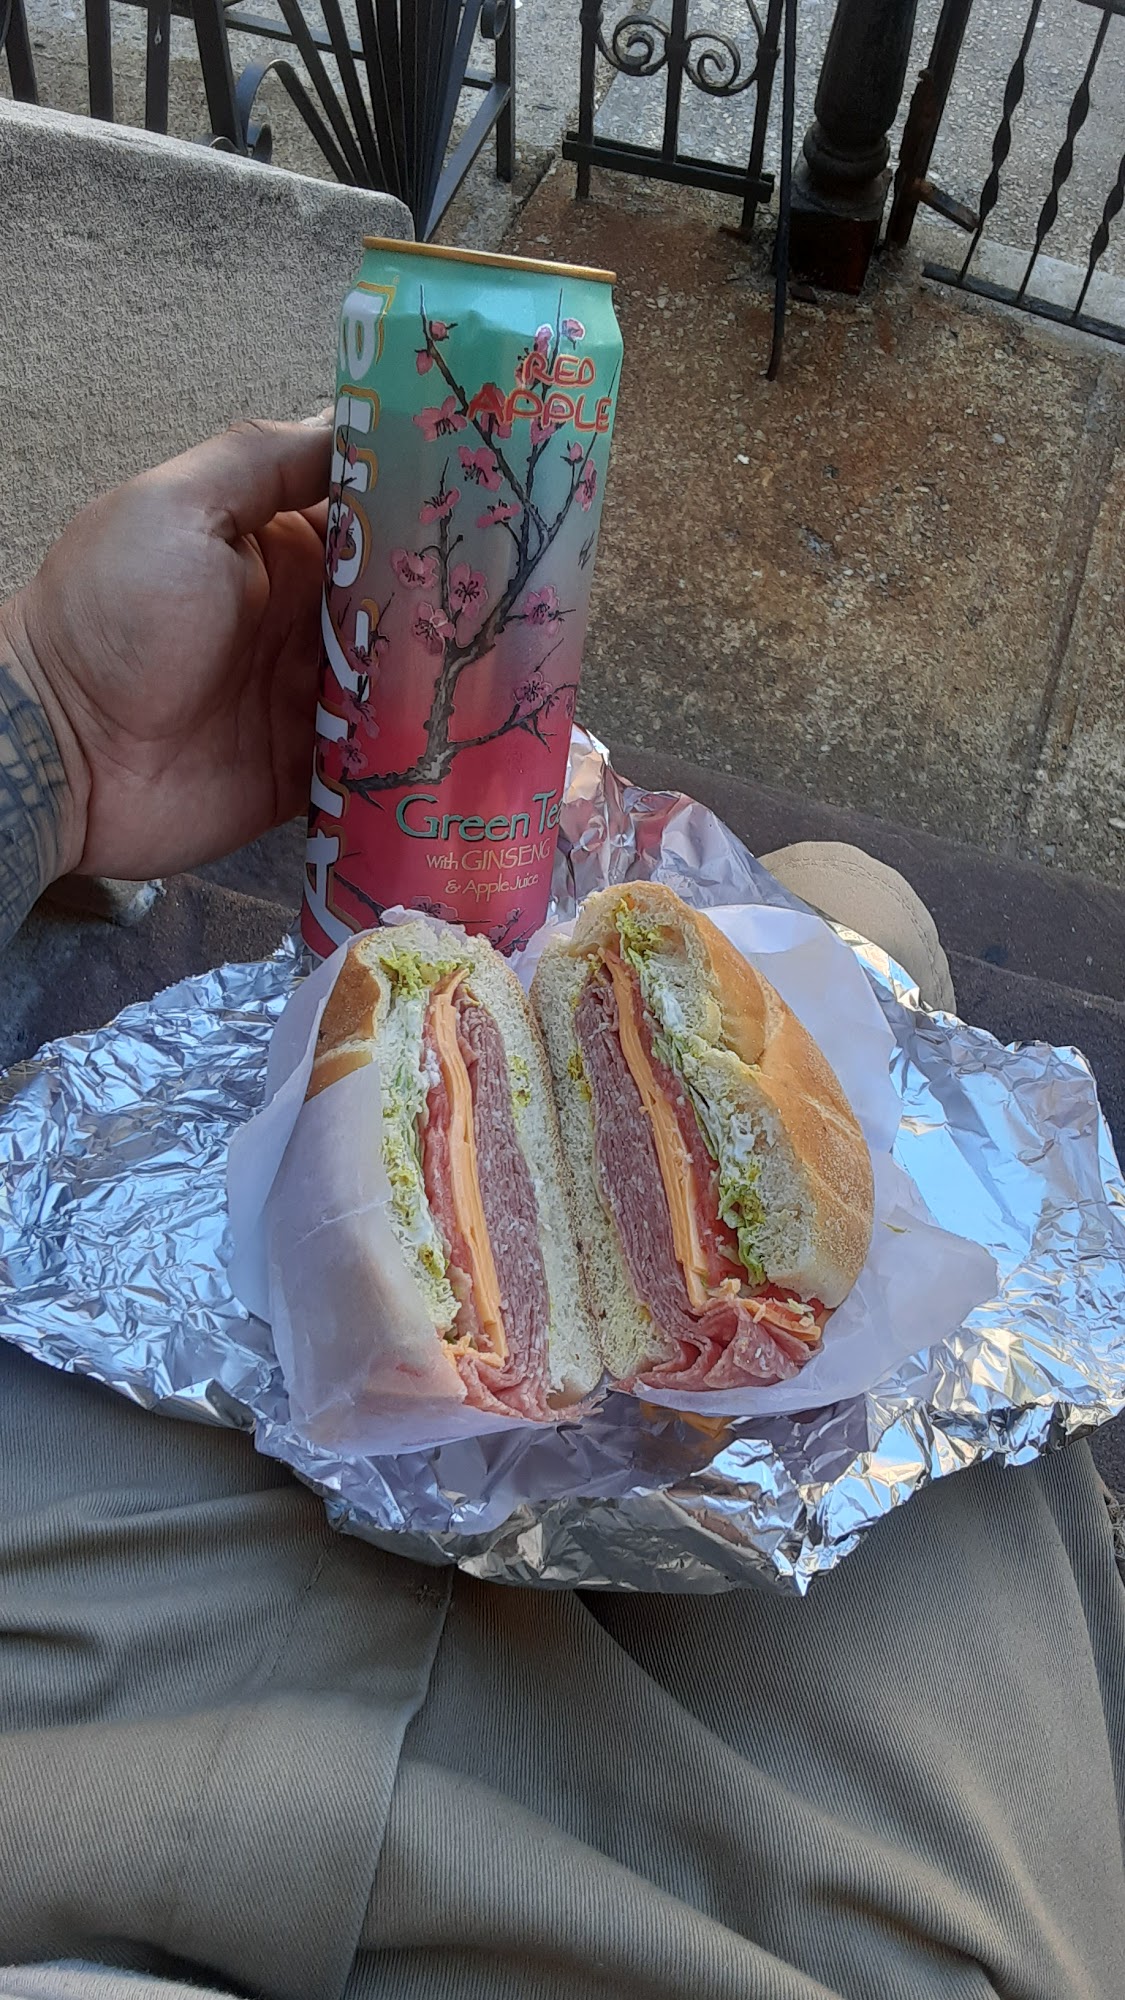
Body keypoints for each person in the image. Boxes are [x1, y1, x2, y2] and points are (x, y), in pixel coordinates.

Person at [0, 419, 1122, 2000]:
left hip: (72, 1645)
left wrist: (53, 729)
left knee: (824, 915)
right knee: (851, 903)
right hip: (796, 1902)